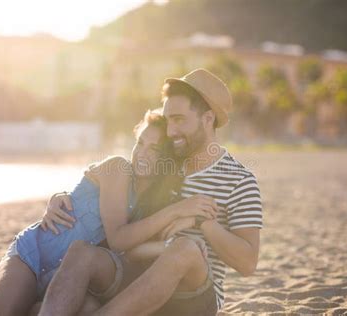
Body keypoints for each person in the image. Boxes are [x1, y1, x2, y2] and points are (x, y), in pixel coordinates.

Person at [0, 109, 217, 316]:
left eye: (154, 149)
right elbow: (119, 238)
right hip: (37, 253)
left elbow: (128, 250)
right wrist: (175, 211)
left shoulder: (149, 206)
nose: (142, 153)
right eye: (140, 142)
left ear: (166, 157)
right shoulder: (118, 169)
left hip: (66, 274)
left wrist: (169, 247)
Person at [38, 68, 263, 316]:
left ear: (207, 119)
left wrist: (203, 223)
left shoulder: (239, 180)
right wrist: (61, 197)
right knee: (82, 252)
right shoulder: (162, 167)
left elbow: (247, 263)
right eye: (168, 121)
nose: (170, 131)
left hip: (194, 298)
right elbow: (123, 222)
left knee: (185, 248)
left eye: (179, 120)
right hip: (139, 282)